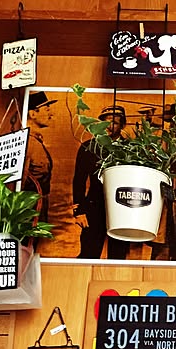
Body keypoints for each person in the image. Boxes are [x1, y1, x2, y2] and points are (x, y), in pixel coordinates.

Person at [72, 104, 128, 259]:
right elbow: (79, 181)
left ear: (123, 125)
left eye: (114, 122)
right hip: (94, 208)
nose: (108, 126)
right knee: (88, 254)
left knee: (118, 256)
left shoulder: (131, 149)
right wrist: (79, 211)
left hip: (122, 209)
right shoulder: (88, 147)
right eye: (105, 121)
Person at [23, 91, 56, 223]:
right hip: (28, 208)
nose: (51, 114)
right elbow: (21, 181)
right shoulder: (28, 142)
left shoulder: (35, 141)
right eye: (47, 109)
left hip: (37, 206)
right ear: (32, 114)